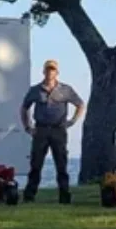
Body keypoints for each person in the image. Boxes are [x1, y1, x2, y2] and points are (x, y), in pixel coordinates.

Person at [20, 60, 85, 204]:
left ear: (57, 72)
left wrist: (72, 121)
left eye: (53, 70)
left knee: (61, 164)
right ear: (43, 72)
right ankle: (29, 196)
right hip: (41, 130)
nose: (50, 73)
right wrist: (27, 127)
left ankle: (64, 195)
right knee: (36, 164)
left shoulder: (66, 90)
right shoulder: (35, 90)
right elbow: (24, 108)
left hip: (58, 130)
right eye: (48, 70)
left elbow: (80, 104)